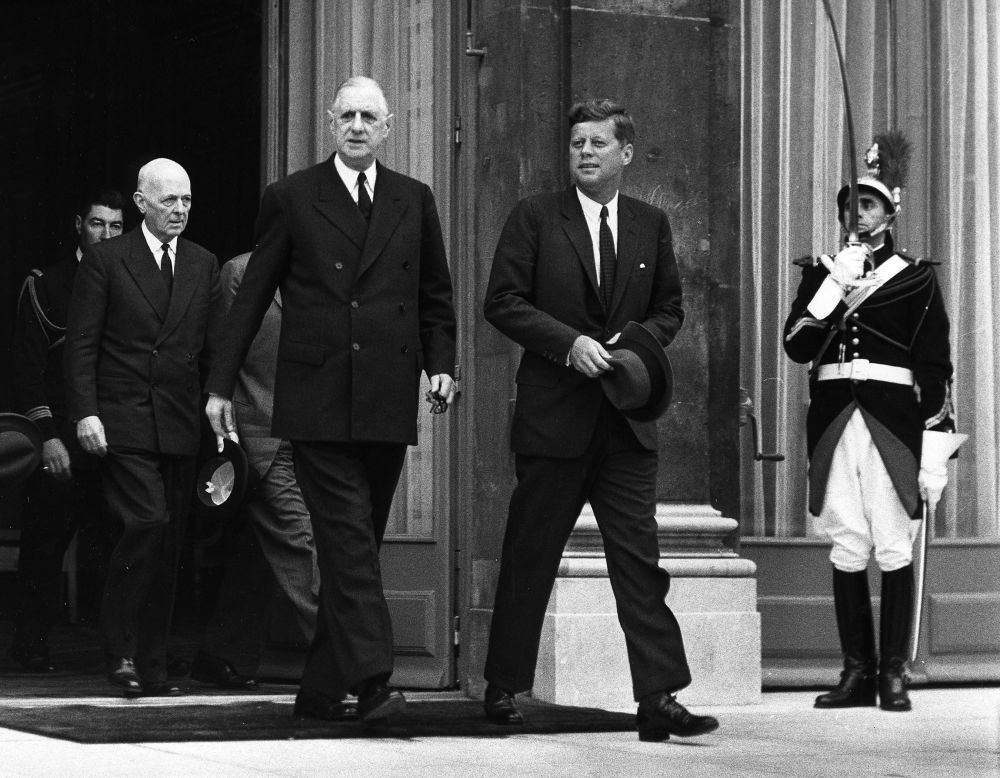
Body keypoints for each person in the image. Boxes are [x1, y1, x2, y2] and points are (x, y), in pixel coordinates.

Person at [205, 76, 456, 724]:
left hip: (385, 398)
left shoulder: (413, 199)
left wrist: (442, 367)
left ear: (389, 125)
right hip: (315, 402)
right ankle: (373, 682)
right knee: (345, 542)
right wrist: (218, 388)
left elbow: (434, 295)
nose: (357, 125)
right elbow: (253, 293)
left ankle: (319, 689)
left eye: (369, 115)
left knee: (357, 548)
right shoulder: (292, 198)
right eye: (346, 114)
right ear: (329, 121)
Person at [481, 98, 718, 742]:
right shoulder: (534, 217)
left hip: (626, 424)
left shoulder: (650, 224)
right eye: (577, 143)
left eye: (597, 143)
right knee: (530, 554)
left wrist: (635, 344)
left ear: (626, 153)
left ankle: (659, 699)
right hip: (553, 420)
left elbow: (670, 307)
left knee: (638, 562)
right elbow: (500, 301)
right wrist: (568, 343)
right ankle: (502, 687)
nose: (584, 152)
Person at [783, 132, 954, 712]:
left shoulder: (913, 276)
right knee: (847, 539)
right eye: (850, 204)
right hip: (834, 421)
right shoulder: (821, 273)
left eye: (869, 203)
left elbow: (935, 366)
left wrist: (934, 449)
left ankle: (893, 673)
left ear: (888, 214)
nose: (857, 212)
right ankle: (855, 671)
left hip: (891, 420)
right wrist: (834, 286)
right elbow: (797, 347)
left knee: (892, 540)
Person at [65, 158, 222, 697]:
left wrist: (219, 410)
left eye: (186, 201)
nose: (179, 210)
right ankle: (122, 651)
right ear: (140, 203)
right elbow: (82, 344)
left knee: (171, 541)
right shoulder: (108, 260)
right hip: (123, 421)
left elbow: (211, 349)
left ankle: (152, 664)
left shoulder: (203, 263)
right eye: (168, 201)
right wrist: (85, 411)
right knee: (147, 525)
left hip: (179, 423)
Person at [190, 251, 320, 691]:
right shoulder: (240, 273)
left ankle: (220, 653)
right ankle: (346, 666)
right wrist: (230, 435)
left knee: (263, 552)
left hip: (311, 436)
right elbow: (219, 355)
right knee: (302, 544)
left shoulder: (326, 271)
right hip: (256, 434)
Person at [9, 190, 124, 672]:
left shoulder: (132, 278)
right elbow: (26, 369)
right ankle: (31, 644)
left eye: (116, 227)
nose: (106, 235)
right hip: (59, 437)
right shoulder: (46, 285)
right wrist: (48, 436)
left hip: (114, 438)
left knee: (117, 542)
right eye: (98, 224)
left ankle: (116, 650)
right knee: (44, 543)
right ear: (80, 224)